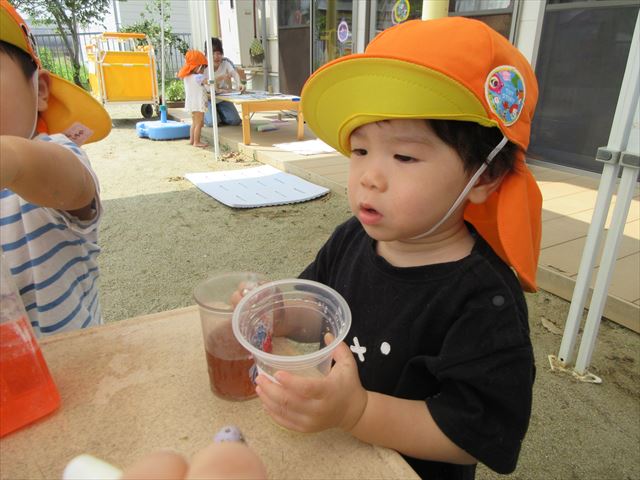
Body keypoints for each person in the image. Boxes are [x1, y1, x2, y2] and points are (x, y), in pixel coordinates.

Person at [249, 18, 542, 480]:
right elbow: (323, 312)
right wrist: (279, 314)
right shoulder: (352, 238)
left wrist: (358, 411)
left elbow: (474, 433)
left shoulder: (484, 300)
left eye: (403, 156)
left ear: (483, 176)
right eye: (360, 150)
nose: (369, 177)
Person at [0, 0, 111, 337]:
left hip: (72, 361)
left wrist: (11, 159)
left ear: (40, 91)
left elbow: (73, 186)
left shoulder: (53, 155)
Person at [177, 50, 209, 148]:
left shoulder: (187, 77)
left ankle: (192, 140)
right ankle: (197, 142)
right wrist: (221, 78)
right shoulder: (199, 77)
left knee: (194, 123)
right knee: (199, 124)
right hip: (198, 103)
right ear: (197, 66)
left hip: (191, 103)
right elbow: (209, 82)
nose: (203, 70)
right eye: (203, 67)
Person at [210, 37, 244, 127]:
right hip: (208, 99)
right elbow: (205, 84)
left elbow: (234, 73)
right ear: (207, 54)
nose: (216, 57)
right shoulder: (204, 65)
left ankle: (220, 114)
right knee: (211, 122)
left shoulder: (226, 61)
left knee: (235, 121)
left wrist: (239, 84)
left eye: (219, 53)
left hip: (222, 98)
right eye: (213, 53)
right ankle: (216, 115)